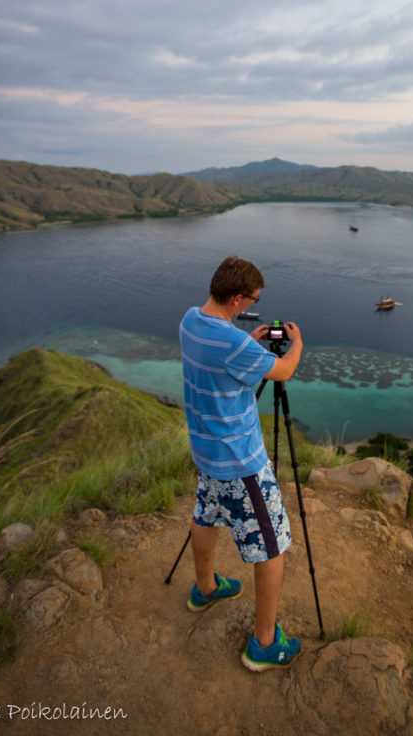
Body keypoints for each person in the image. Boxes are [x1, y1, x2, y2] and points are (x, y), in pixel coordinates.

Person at [178, 255, 304, 671]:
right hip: (240, 463)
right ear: (236, 299)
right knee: (272, 546)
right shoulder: (235, 345)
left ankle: (205, 588)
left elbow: (222, 353)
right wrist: (297, 343)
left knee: (205, 515)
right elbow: (282, 371)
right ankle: (264, 644)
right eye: (252, 299)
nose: (253, 305)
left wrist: (246, 339)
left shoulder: (189, 321)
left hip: (206, 453)